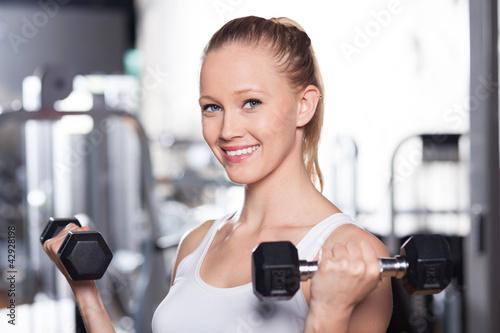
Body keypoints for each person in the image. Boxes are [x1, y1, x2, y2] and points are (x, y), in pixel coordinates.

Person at [43, 15, 392, 333]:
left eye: (251, 103)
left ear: (304, 105)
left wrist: (328, 314)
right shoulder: (196, 243)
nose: (227, 130)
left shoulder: (348, 252)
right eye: (212, 107)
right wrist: (87, 294)